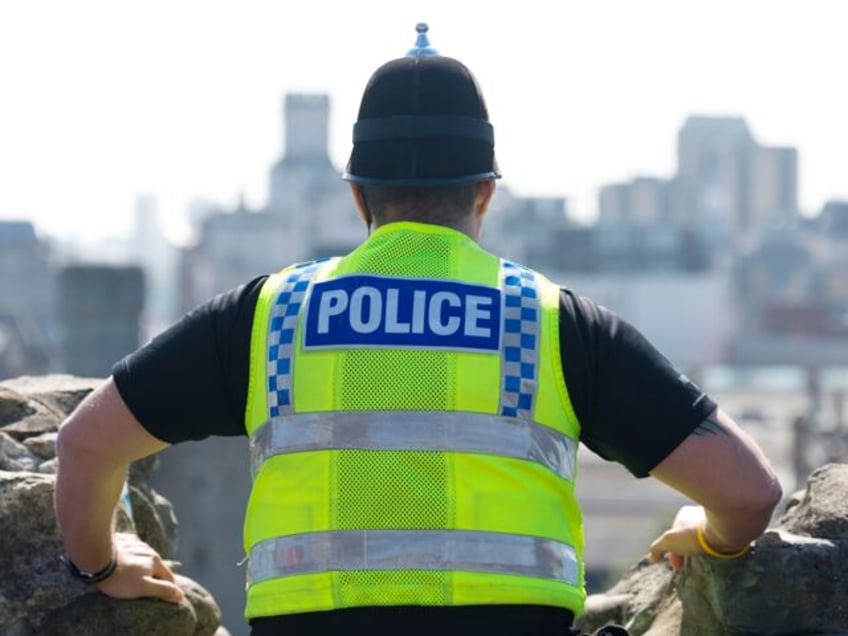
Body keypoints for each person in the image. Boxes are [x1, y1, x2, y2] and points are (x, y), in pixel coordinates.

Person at [54, 24, 782, 636]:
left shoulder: (269, 316)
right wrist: (710, 537)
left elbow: (85, 442)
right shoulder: (554, 323)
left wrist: (104, 564)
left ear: (357, 195)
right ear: (486, 192)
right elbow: (748, 493)